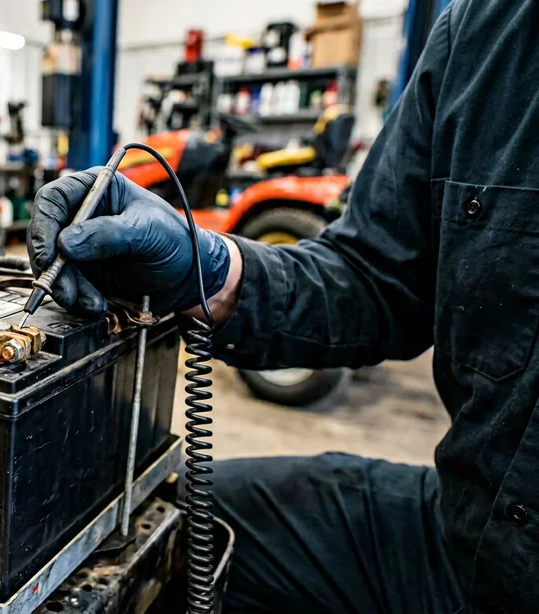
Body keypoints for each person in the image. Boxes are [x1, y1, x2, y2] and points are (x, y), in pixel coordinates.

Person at [27, 3, 537, 612]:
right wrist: (209, 271)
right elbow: (377, 278)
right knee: (164, 523)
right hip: (467, 535)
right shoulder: (482, 31)